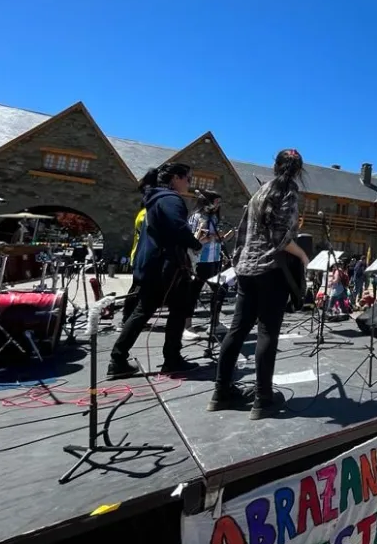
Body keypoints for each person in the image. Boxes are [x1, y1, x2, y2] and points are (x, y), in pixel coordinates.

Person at [208, 149, 309, 420]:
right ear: (298, 170)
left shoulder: (259, 193)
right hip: (270, 270)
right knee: (267, 332)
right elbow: (280, 238)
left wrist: (241, 263)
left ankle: (220, 393)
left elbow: (242, 233)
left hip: (245, 269)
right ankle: (263, 399)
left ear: (274, 166)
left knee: (237, 329)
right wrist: (302, 255)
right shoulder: (288, 192)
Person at [108, 163, 203, 378]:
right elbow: (178, 227)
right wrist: (195, 243)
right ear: (176, 178)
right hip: (166, 266)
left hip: (153, 264)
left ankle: (118, 359)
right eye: (188, 179)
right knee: (178, 310)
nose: (189, 184)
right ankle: (171, 359)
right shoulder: (170, 199)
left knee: (144, 310)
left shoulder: (155, 199)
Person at [120, 167, 160, 330]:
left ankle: (129, 318)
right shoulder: (146, 214)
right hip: (141, 255)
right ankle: (128, 319)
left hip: (138, 254)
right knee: (137, 289)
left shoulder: (142, 212)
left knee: (137, 289)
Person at [183, 190, 225, 340]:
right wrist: (210, 237)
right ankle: (187, 325)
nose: (219, 204)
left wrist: (221, 238)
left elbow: (214, 238)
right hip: (200, 260)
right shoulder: (197, 217)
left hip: (214, 259)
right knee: (193, 293)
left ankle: (215, 323)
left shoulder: (213, 217)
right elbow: (195, 240)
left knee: (219, 290)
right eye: (216, 201)